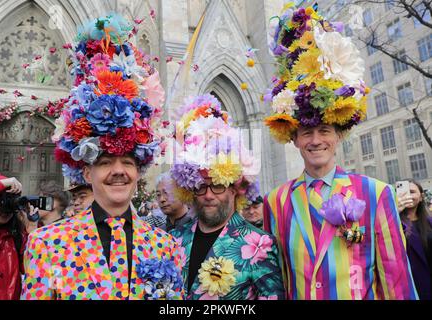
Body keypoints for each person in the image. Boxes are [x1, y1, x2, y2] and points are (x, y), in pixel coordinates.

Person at [21, 14, 184, 300]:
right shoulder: (46, 244)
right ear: (86, 172)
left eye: (128, 161)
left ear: (139, 170)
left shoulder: (166, 246)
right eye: (105, 162)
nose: (118, 171)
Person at [262, 5, 417, 299]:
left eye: (325, 131)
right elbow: (278, 281)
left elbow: (396, 282)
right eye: (307, 132)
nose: (316, 140)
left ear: (338, 136)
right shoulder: (276, 202)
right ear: (294, 139)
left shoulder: (376, 194)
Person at [169, 94, 285, 300]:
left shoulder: (260, 243)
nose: (208, 195)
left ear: (235, 188)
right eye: (201, 187)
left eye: (218, 186)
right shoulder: (174, 239)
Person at [0, 175, 38, 300]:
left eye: (10, 202)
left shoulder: (17, 236)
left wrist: (32, 233)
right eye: (0, 201)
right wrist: (0, 185)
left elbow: (32, 270)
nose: (5, 208)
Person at [397, 179, 432, 300]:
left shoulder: (429, 222)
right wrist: (394, 213)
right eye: (404, 193)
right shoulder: (394, 222)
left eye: (412, 192)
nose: (408, 196)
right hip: (408, 283)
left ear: (421, 197)